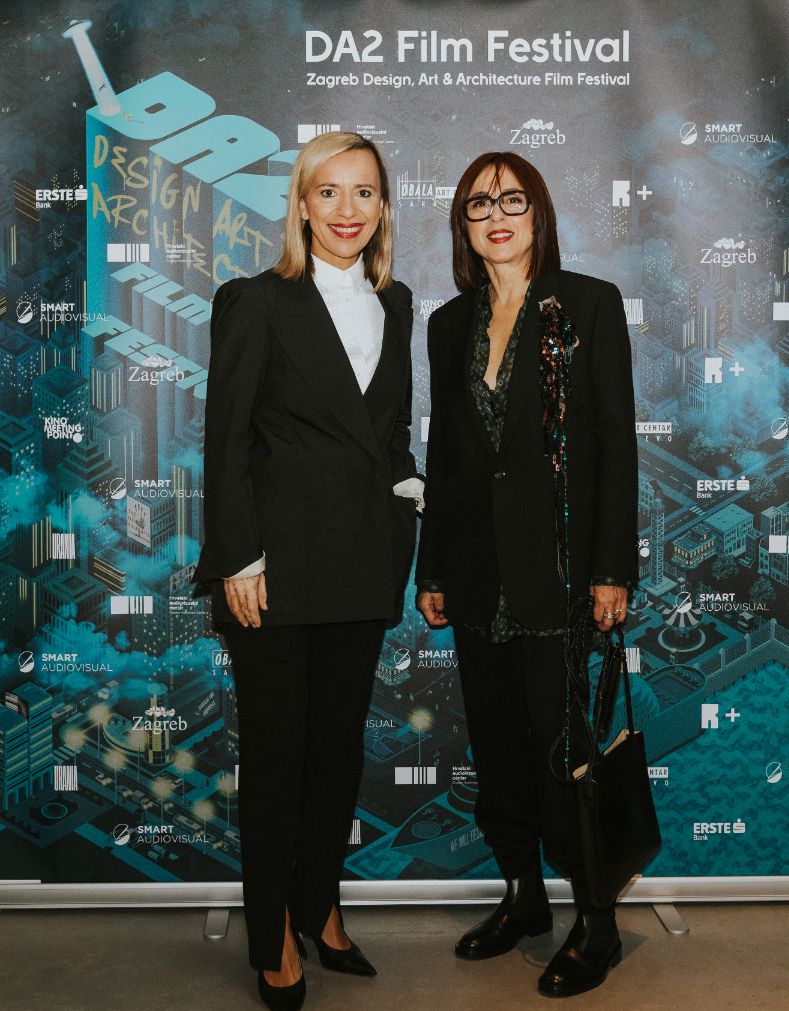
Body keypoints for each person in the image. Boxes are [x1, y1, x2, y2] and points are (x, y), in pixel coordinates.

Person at [193, 131, 421, 1011]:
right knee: (279, 759)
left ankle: (320, 905)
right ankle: (273, 937)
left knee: (336, 752)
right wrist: (238, 557)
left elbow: (388, 432)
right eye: (328, 191)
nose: (347, 210)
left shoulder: (396, 301)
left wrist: (409, 495)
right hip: (275, 570)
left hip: (362, 561)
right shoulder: (255, 300)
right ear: (300, 204)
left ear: (383, 206)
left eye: (364, 192)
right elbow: (226, 440)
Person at [415, 151, 638, 999]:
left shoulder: (588, 303)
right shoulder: (447, 324)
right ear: (464, 226)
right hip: (477, 573)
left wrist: (611, 566)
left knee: (562, 752)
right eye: (479, 204)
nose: (496, 215)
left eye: (512, 200)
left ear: (538, 212)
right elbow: (446, 454)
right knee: (499, 746)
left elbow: (616, 444)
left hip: (560, 570)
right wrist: (433, 565)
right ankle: (523, 894)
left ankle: (596, 920)